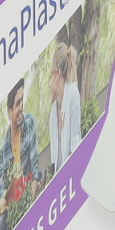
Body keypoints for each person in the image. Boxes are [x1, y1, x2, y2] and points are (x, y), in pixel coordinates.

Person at [0, 78, 41, 230]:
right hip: (13, 204)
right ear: (10, 112)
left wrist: (31, 201)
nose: (21, 107)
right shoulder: (4, 150)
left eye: (22, 101)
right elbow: (1, 189)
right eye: (17, 104)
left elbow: (35, 167)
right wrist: (2, 201)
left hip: (29, 193)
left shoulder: (29, 124)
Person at [49, 42, 81, 171]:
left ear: (58, 74)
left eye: (51, 77)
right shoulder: (53, 115)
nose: (49, 84)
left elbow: (75, 144)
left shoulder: (73, 93)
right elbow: (54, 162)